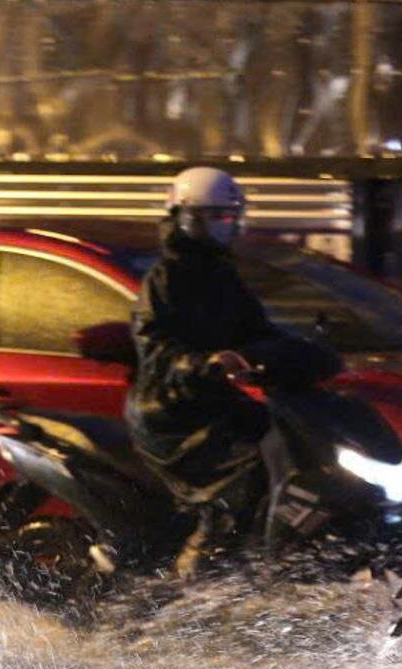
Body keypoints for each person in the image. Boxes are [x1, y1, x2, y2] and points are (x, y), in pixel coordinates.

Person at [128, 166, 284, 575]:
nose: (222, 226)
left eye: (228, 216)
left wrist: (300, 351)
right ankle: (195, 574)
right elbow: (154, 345)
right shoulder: (165, 279)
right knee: (240, 478)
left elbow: (258, 329)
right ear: (185, 217)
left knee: (286, 444)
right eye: (212, 217)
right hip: (171, 409)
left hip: (213, 402)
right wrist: (204, 363)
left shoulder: (222, 275)